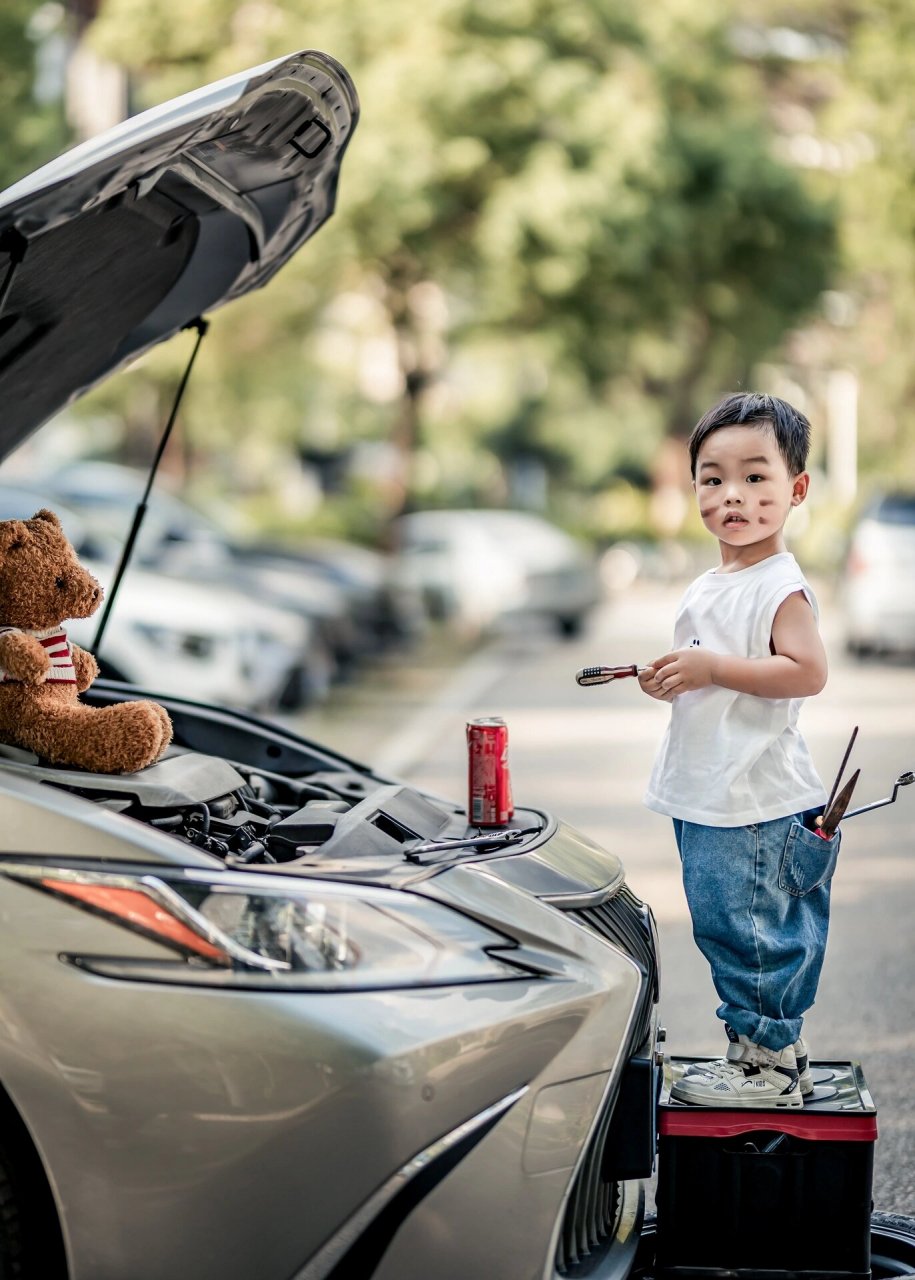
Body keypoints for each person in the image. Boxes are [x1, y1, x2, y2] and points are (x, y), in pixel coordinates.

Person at [639, 392, 834, 1108]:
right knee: (725, 926)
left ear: (796, 489)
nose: (733, 495)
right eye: (713, 478)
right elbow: (714, 676)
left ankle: (768, 1065)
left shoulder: (779, 586)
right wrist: (675, 678)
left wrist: (713, 668)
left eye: (756, 477)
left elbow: (806, 672)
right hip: (710, 790)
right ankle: (763, 1056)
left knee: (754, 932)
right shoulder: (710, 585)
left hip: (753, 797)